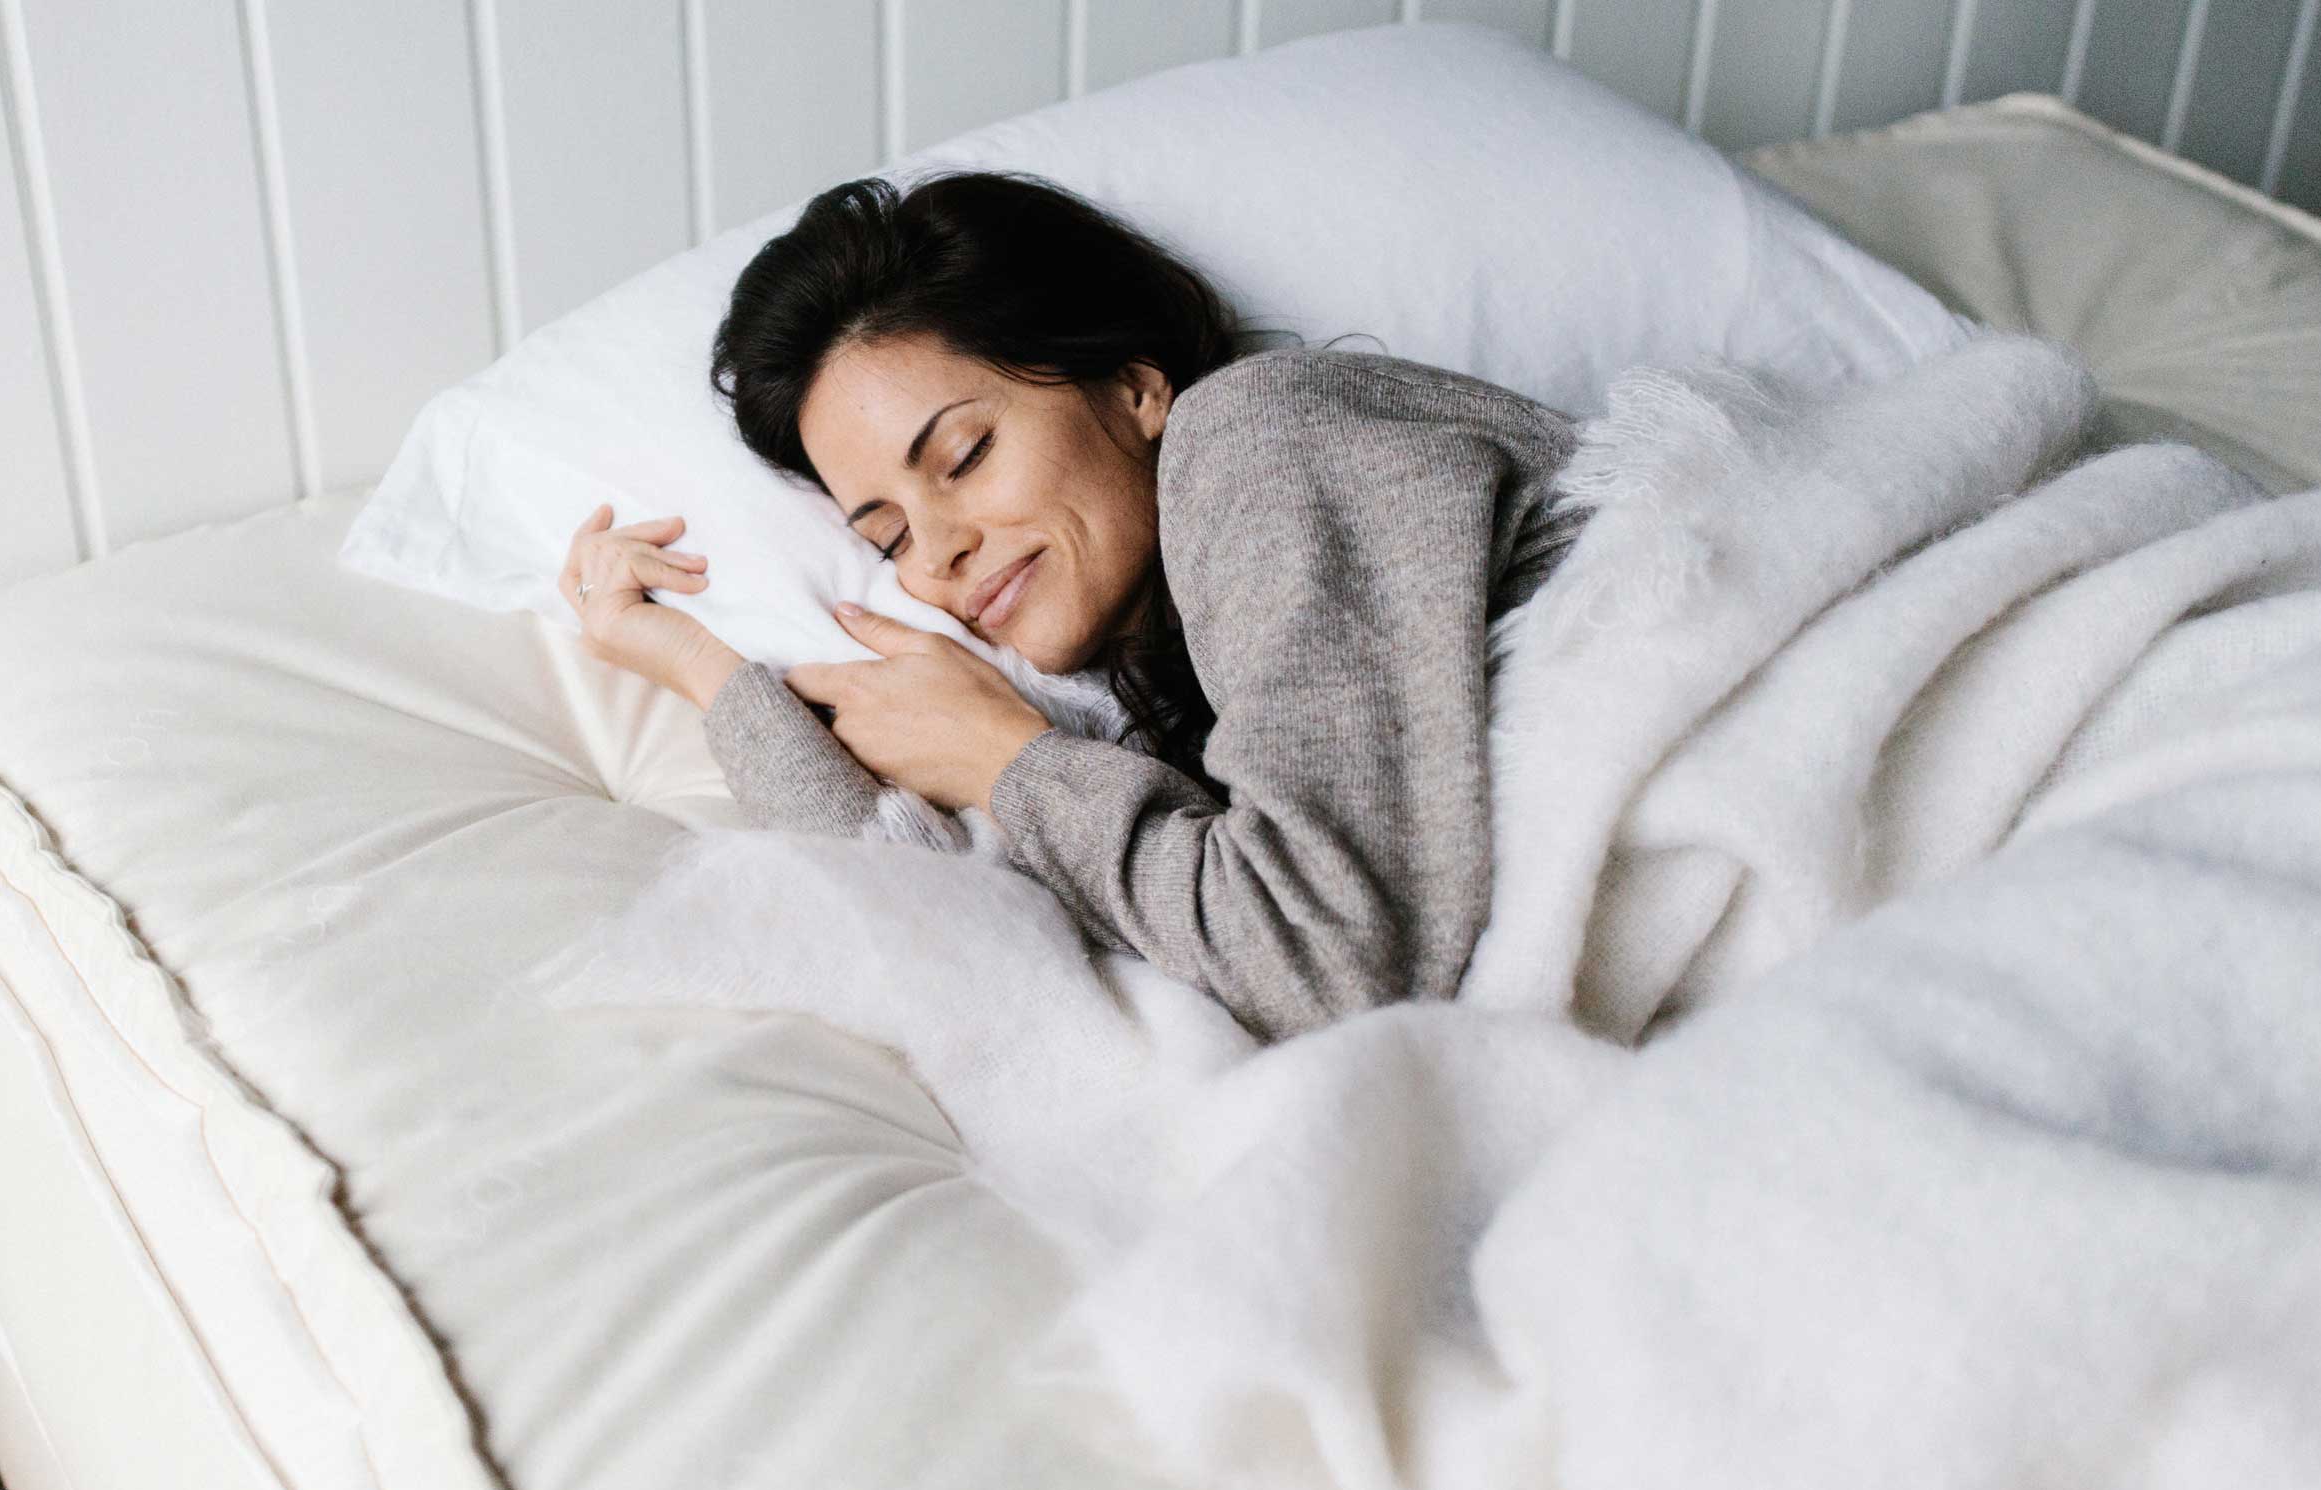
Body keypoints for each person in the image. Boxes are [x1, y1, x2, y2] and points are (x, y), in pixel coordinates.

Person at [558, 170, 1591, 1041]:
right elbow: (940, 913)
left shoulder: (1259, 432)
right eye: (888, 538)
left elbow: (1332, 962)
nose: (940, 554)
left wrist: (1007, 762)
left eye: (965, 456)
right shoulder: (1145, 703)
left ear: (1135, 388)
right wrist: (701, 667)